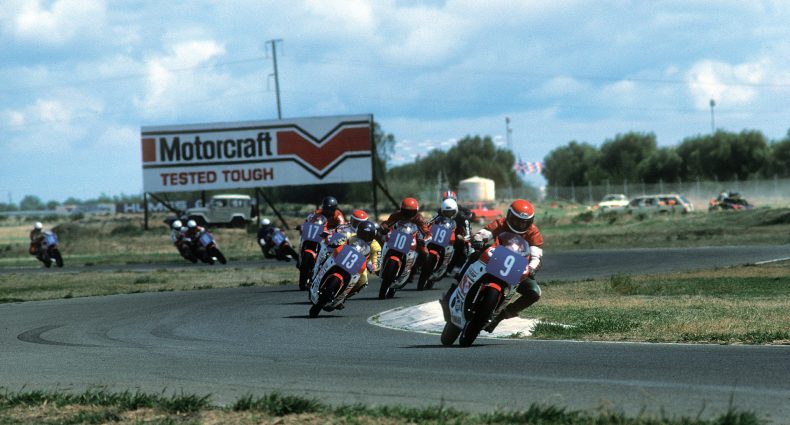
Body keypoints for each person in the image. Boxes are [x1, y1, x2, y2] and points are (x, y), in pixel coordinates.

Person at [445, 199, 544, 333]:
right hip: (495, 258)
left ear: (531, 222)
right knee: (474, 256)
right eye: (517, 221)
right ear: (509, 216)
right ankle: (455, 288)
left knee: (534, 292)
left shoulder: (533, 232)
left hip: (517, 268)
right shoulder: (501, 223)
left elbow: (536, 255)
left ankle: (500, 316)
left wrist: (532, 267)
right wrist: (479, 239)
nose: (520, 225)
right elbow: (486, 232)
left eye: (524, 222)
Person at [379, 198, 432, 281]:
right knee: (382, 240)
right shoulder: (396, 215)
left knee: (425, 252)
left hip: (414, 237)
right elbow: (387, 223)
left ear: (416, 211)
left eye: (411, 212)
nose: (408, 214)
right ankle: (381, 263)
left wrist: (425, 239)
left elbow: (427, 231)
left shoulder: (419, 219)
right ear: (401, 210)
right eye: (406, 211)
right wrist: (383, 227)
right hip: (397, 235)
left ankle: (416, 267)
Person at [335, 220, 381, 309]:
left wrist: (373, 266)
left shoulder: (375, 245)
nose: (365, 237)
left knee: (363, 282)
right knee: (329, 257)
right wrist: (336, 243)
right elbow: (340, 242)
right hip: (344, 257)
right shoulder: (351, 236)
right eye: (363, 234)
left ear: (373, 235)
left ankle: (342, 297)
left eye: (368, 235)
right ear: (358, 232)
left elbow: (377, 259)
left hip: (360, 265)